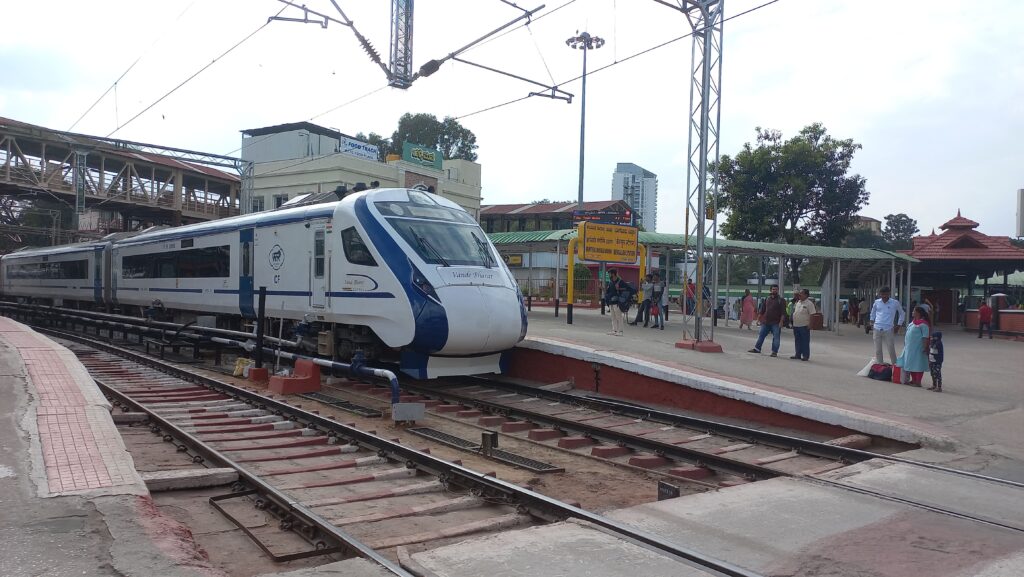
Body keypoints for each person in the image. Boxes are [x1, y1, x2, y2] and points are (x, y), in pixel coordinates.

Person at [896, 306, 931, 386]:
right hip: (909, 347)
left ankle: (918, 381)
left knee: (918, 364)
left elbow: (925, 337)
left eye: (914, 311)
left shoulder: (923, 324)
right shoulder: (912, 323)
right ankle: (914, 380)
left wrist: (925, 347)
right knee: (910, 363)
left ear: (918, 313)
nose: (912, 312)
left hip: (918, 347)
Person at [869, 286, 904, 365]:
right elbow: (873, 312)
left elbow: (902, 313)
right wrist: (871, 322)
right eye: (882, 294)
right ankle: (880, 365)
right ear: (880, 294)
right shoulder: (877, 302)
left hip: (888, 328)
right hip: (877, 328)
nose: (884, 296)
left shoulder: (895, 303)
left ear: (889, 293)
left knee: (891, 348)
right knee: (878, 350)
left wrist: (899, 325)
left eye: (885, 294)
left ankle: (895, 365)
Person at [749, 285, 785, 357]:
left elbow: (783, 312)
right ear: (770, 290)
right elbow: (763, 310)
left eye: (776, 289)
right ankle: (757, 348)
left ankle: (774, 352)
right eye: (773, 289)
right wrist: (758, 319)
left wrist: (781, 322)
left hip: (776, 323)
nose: (774, 290)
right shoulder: (767, 299)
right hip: (765, 322)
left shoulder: (781, 300)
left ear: (778, 290)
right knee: (761, 335)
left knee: (776, 337)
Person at [790, 289, 816, 361]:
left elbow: (812, 314)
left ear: (806, 295)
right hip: (796, 325)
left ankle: (805, 356)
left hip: (804, 326)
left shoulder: (809, 303)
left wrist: (810, 324)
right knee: (797, 340)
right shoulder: (798, 302)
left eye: (801, 293)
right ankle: (797, 354)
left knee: (805, 341)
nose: (799, 294)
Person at [604, 268, 630, 336]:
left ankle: (620, 331)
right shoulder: (610, 282)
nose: (609, 275)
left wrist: (619, 288)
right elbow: (608, 291)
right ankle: (614, 330)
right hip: (611, 301)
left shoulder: (620, 281)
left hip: (617, 302)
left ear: (613, 274)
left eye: (609, 274)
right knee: (613, 317)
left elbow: (627, 288)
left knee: (619, 317)